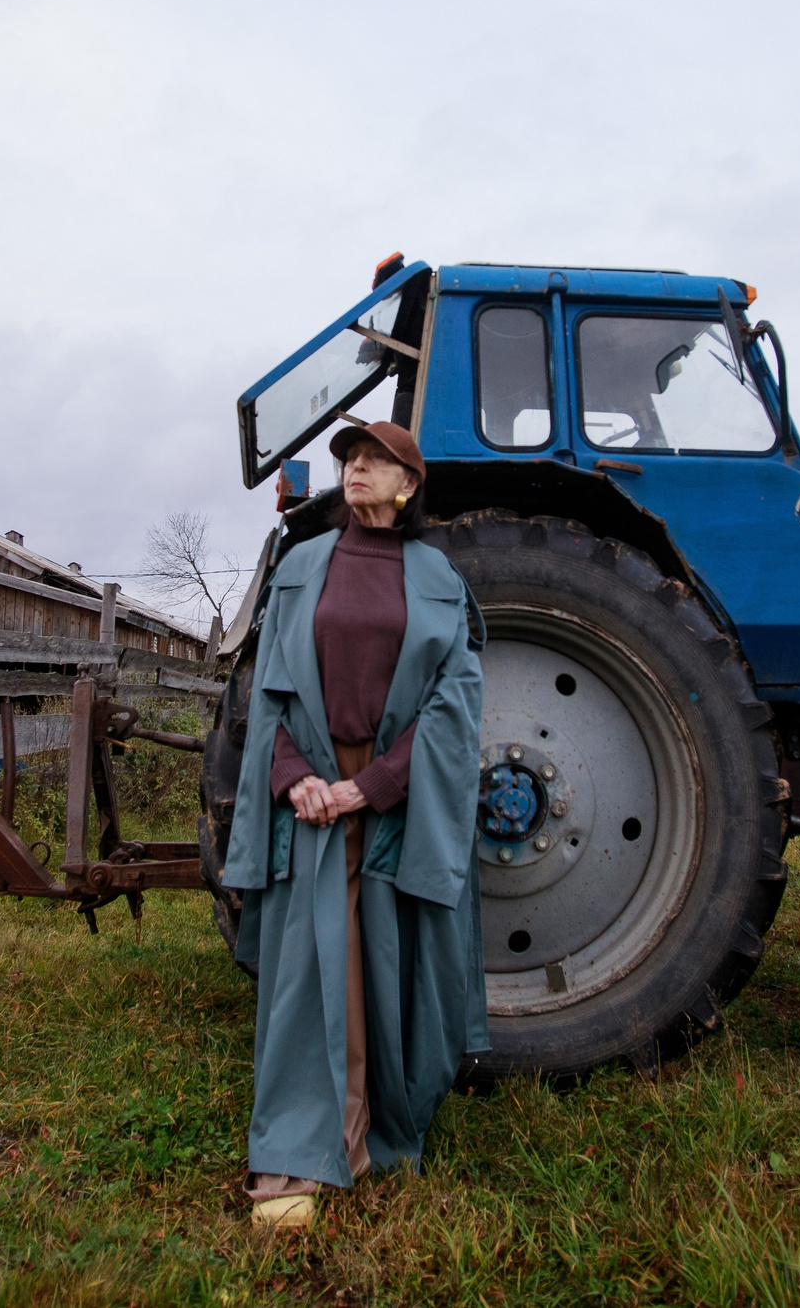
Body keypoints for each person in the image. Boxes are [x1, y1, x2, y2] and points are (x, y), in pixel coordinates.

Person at [220, 420, 488, 1230]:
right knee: (312, 963)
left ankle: (380, 1128)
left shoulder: (436, 577)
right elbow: (270, 688)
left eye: (374, 458)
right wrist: (297, 777)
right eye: (350, 458)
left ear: (409, 484)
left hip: (397, 793)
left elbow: (452, 703)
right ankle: (299, 1149)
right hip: (311, 787)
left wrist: (370, 786)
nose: (355, 467)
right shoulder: (303, 566)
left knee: (388, 957)